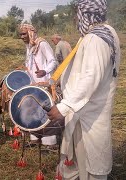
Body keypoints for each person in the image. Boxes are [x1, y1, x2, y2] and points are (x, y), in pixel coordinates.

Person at [47, 0, 121, 179]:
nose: (75, 19)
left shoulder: (95, 39)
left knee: (90, 163)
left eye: (77, 14)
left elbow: (91, 77)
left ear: (85, 15)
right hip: (84, 109)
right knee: (80, 159)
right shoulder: (107, 33)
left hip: (89, 113)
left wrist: (64, 107)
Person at [18, 23, 58, 146]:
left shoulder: (42, 44)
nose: (22, 37)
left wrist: (45, 71)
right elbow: (29, 65)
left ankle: (48, 141)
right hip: (33, 84)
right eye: (20, 34)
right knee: (33, 111)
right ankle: (35, 139)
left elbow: (53, 61)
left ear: (30, 32)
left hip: (44, 84)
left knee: (45, 112)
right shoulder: (29, 47)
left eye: (24, 34)